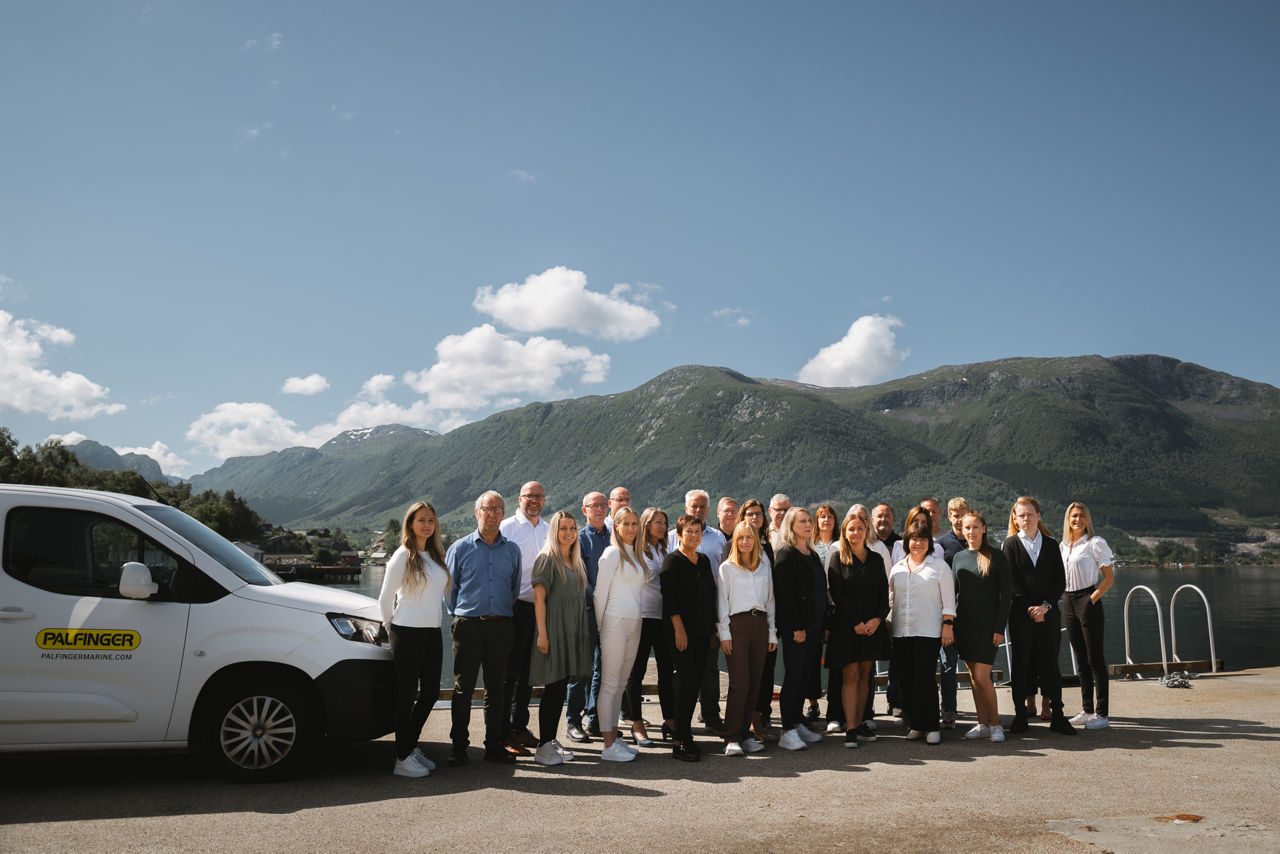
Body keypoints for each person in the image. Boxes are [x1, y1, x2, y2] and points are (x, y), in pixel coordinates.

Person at [445, 491, 523, 765]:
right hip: (468, 626)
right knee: (463, 688)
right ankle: (459, 748)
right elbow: (449, 590)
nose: (492, 514)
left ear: (503, 514)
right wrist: (460, 615)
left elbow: (514, 589)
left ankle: (493, 746)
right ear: (477, 512)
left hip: (501, 626)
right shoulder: (460, 548)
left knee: (496, 689)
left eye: (497, 509)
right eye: (487, 509)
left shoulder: (512, 550)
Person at [379, 501, 450, 777]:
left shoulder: (435, 555)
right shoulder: (402, 556)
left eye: (431, 520)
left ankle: (409, 745)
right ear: (410, 524)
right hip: (406, 632)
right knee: (406, 696)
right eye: (421, 520)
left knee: (431, 693)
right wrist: (391, 630)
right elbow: (385, 598)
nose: (427, 525)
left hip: (432, 632)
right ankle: (402, 758)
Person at [1002, 496, 1075, 735]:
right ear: (1015, 519)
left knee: (1051, 665)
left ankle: (1058, 716)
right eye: (1021, 515)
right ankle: (1020, 716)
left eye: (1030, 514)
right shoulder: (1010, 545)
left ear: (1038, 516)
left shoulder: (1052, 544)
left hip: (1048, 615)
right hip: (1021, 617)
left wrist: (1045, 607)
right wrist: (1030, 609)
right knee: (1021, 665)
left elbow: (1059, 580)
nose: (1026, 519)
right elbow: (1011, 582)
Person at [529, 511, 594, 766]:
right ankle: (543, 747)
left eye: (572, 528)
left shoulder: (574, 561)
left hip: (572, 632)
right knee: (553, 688)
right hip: (554, 632)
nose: (569, 533)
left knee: (560, 689)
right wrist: (543, 635)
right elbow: (539, 600)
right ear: (554, 532)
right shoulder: (547, 559)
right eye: (563, 528)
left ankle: (551, 740)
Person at [887, 515, 955, 745]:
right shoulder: (897, 568)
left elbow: (949, 601)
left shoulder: (939, 567)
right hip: (901, 632)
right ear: (907, 542)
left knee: (925, 679)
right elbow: (891, 601)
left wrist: (948, 626)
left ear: (929, 542)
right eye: (914, 539)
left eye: (923, 539)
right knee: (906, 680)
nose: (918, 543)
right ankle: (916, 724)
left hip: (928, 631)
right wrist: (888, 626)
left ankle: (932, 726)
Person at [825, 511, 889, 749]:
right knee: (850, 676)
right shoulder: (837, 558)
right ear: (844, 532)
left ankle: (861, 722)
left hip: (872, 627)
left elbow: (884, 593)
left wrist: (877, 620)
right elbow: (838, 595)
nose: (856, 533)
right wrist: (856, 623)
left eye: (860, 528)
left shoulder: (876, 559)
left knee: (865, 675)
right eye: (851, 529)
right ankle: (850, 728)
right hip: (847, 627)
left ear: (866, 531)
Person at [660, 515, 718, 762]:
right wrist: (679, 629)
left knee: (694, 685)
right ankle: (679, 741)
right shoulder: (672, 561)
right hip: (680, 633)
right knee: (687, 683)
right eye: (689, 531)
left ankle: (684, 733)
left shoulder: (703, 560)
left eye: (698, 531)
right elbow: (669, 599)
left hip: (703, 633)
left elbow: (710, 595)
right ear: (679, 535)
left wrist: (712, 630)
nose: (694, 535)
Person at [666, 489, 726, 731]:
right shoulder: (671, 544)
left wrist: (714, 623)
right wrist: (678, 627)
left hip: (706, 617)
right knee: (682, 674)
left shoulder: (715, 542)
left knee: (708, 670)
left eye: (702, 507)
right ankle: (678, 725)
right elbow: (669, 592)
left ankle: (710, 715)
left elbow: (716, 583)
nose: (698, 510)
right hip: (680, 620)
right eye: (694, 506)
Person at [717, 521, 777, 756]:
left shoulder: (764, 567)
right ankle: (731, 736)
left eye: (749, 537)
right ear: (735, 541)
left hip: (760, 625)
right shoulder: (727, 568)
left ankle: (744, 733)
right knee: (740, 682)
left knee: (755, 682)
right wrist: (724, 633)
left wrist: (772, 631)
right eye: (740, 537)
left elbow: (770, 601)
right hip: (737, 625)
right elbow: (722, 603)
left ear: (755, 540)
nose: (744, 542)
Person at [593, 507, 647, 763]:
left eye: (634, 523)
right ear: (615, 526)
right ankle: (607, 744)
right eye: (625, 523)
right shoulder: (612, 553)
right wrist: (601, 627)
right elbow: (599, 594)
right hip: (614, 622)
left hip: (635, 622)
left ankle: (614, 737)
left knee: (621, 683)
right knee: (610, 683)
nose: (631, 528)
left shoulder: (636, 554)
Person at [498, 481, 549, 755]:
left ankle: (519, 727)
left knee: (528, 674)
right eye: (529, 496)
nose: (534, 500)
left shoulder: (548, 529)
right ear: (520, 499)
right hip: (514, 607)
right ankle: (503, 733)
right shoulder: (506, 527)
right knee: (510, 673)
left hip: (539, 609)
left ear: (544, 500)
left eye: (539, 496)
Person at [953, 511, 1011, 743]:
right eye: (967, 528)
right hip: (964, 626)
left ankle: (995, 724)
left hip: (988, 628)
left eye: (975, 527)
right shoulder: (958, 558)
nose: (971, 532)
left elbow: (1006, 597)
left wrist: (999, 627)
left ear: (984, 528)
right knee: (973, 676)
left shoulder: (997, 556)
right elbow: (954, 594)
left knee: (981, 675)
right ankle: (982, 724)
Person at [772, 507, 827, 751]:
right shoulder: (786, 555)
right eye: (801, 521)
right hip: (797, 628)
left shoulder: (811, 554)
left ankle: (797, 721)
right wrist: (797, 625)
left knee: (805, 676)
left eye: (809, 521)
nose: (807, 524)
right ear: (790, 526)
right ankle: (786, 730)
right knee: (793, 677)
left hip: (814, 626)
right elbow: (785, 595)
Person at [1060, 502, 1115, 730]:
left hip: (1087, 598)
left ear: (1087, 519)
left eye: (1082, 516)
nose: (1078, 520)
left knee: (1095, 659)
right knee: (1080, 659)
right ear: (1068, 519)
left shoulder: (1095, 543)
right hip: (1068, 600)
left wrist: (1091, 599)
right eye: (1074, 516)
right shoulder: (1064, 545)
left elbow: (1109, 578)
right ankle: (1087, 710)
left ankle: (1102, 714)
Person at [625, 507, 675, 746]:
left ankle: (670, 720)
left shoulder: (663, 550)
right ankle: (636, 723)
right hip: (642, 617)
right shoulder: (637, 551)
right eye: (658, 522)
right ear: (646, 524)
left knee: (667, 671)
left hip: (663, 618)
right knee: (637, 672)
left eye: (664, 522)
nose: (663, 526)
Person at [567, 491, 609, 742]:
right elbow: (579, 576)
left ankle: (595, 719)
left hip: (611, 611)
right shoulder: (579, 538)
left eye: (603, 505)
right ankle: (573, 721)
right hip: (587, 610)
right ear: (584, 510)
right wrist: (599, 597)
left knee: (604, 667)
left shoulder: (614, 537)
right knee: (581, 669)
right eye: (595, 505)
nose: (600, 509)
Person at [740, 498, 778, 743]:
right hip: (743, 619)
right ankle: (747, 721)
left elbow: (771, 587)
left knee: (766, 672)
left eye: (758, 514)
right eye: (750, 514)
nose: (755, 518)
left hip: (766, 617)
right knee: (747, 674)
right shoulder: (734, 545)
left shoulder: (768, 547)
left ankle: (762, 717)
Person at [934, 496, 969, 730]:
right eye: (955, 515)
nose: (959, 519)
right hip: (948, 614)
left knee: (979, 667)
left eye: (963, 515)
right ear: (949, 516)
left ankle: (988, 714)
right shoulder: (941, 545)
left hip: (973, 615)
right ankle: (948, 711)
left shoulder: (977, 540)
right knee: (947, 666)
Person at [810, 504, 840, 728]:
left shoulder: (840, 544)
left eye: (830, 516)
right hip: (816, 607)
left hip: (837, 607)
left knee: (835, 657)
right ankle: (812, 702)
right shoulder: (811, 546)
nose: (826, 520)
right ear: (817, 521)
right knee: (813, 658)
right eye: (822, 517)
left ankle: (834, 702)